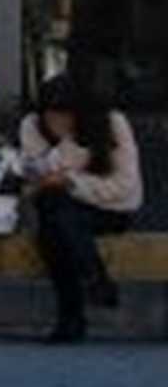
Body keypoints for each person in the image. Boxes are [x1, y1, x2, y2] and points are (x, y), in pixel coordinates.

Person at [16, 74, 143, 344]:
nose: (58, 122)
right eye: (52, 115)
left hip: (111, 209)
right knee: (55, 214)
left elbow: (125, 187)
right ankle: (95, 279)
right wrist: (62, 165)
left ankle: (71, 318)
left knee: (56, 221)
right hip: (58, 205)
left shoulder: (112, 123)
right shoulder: (31, 126)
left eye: (66, 115)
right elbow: (35, 176)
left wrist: (71, 178)